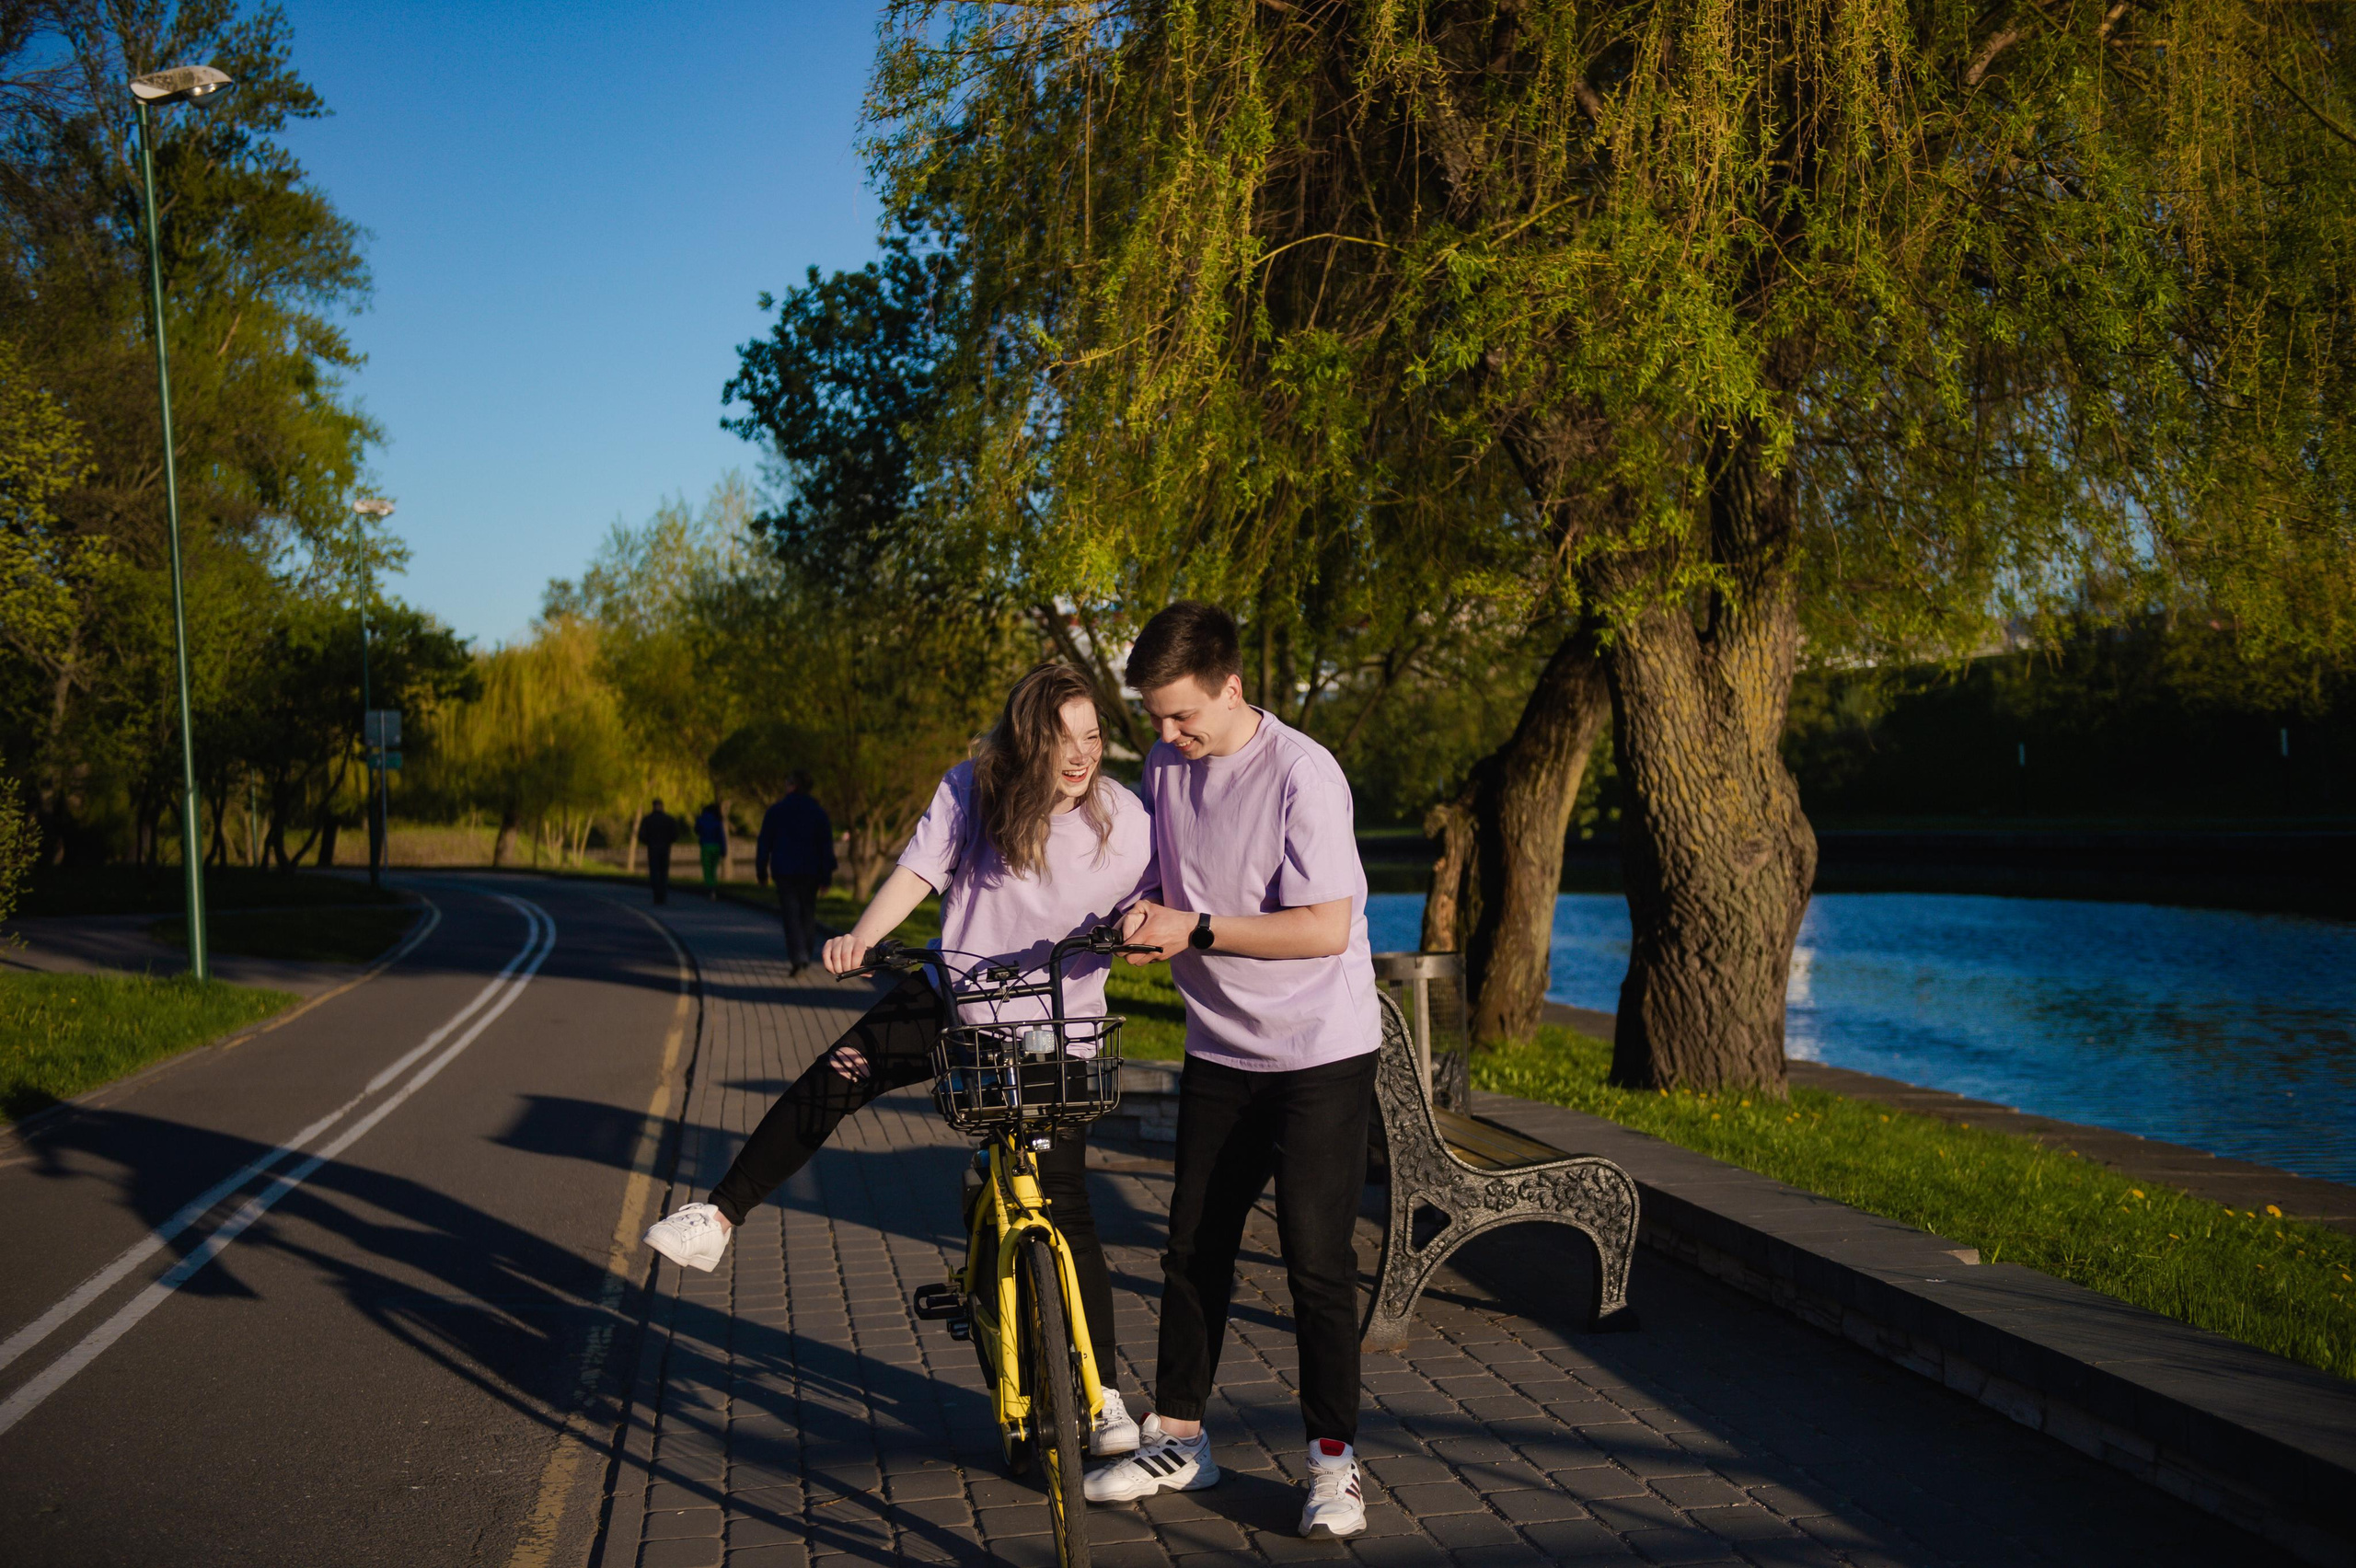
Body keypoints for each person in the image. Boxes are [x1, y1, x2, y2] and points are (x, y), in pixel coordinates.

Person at [643, 662, 1155, 1458]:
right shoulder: (972, 791)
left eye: (1092, 737)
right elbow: (917, 873)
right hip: (955, 1003)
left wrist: (1145, 935)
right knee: (839, 1074)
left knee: (1068, 1207)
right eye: (1062, 740)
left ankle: (1105, 1399)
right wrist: (863, 939)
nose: (1081, 756)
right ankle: (717, 1215)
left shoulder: (1125, 815)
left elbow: (1151, 906)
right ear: (1026, 741)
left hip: (1057, 1029)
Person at [1083, 601, 1380, 1541]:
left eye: (1182, 716)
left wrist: (1194, 927)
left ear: (1232, 686)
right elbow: (1174, 880)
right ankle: (1179, 1436)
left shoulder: (1303, 773)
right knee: (1192, 1249)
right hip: (1219, 1044)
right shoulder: (1170, 765)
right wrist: (1147, 915)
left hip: (1319, 1051)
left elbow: (1324, 927)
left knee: (1315, 1262)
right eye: (1155, 719)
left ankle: (1334, 1467)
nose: (1165, 737)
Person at [754, 772, 836, 976]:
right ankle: (805, 952)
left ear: (793, 786)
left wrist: (761, 871)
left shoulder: (776, 811)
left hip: (785, 870)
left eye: (787, 782)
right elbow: (826, 846)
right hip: (811, 871)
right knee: (808, 912)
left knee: (791, 914)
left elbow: (764, 842)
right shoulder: (817, 812)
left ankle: (799, 955)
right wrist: (826, 877)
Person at [637, 799, 679, 905]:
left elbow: (642, 835)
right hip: (665, 849)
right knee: (663, 873)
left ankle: (657, 894)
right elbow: (675, 835)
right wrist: (668, 841)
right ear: (662, 806)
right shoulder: (669, 819)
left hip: (653, 849)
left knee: (654, 872)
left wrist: (649, 842)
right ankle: (662, 895)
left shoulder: (648, 820)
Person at [695, 802, 727, 900]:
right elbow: (722, 836)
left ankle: (710, 888)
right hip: (716, 847)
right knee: (714, 868)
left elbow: (696, 830)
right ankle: (714, 886)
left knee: (707, 868)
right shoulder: (718, 821)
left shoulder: (701, 820)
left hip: (706, 846)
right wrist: (724, 849)